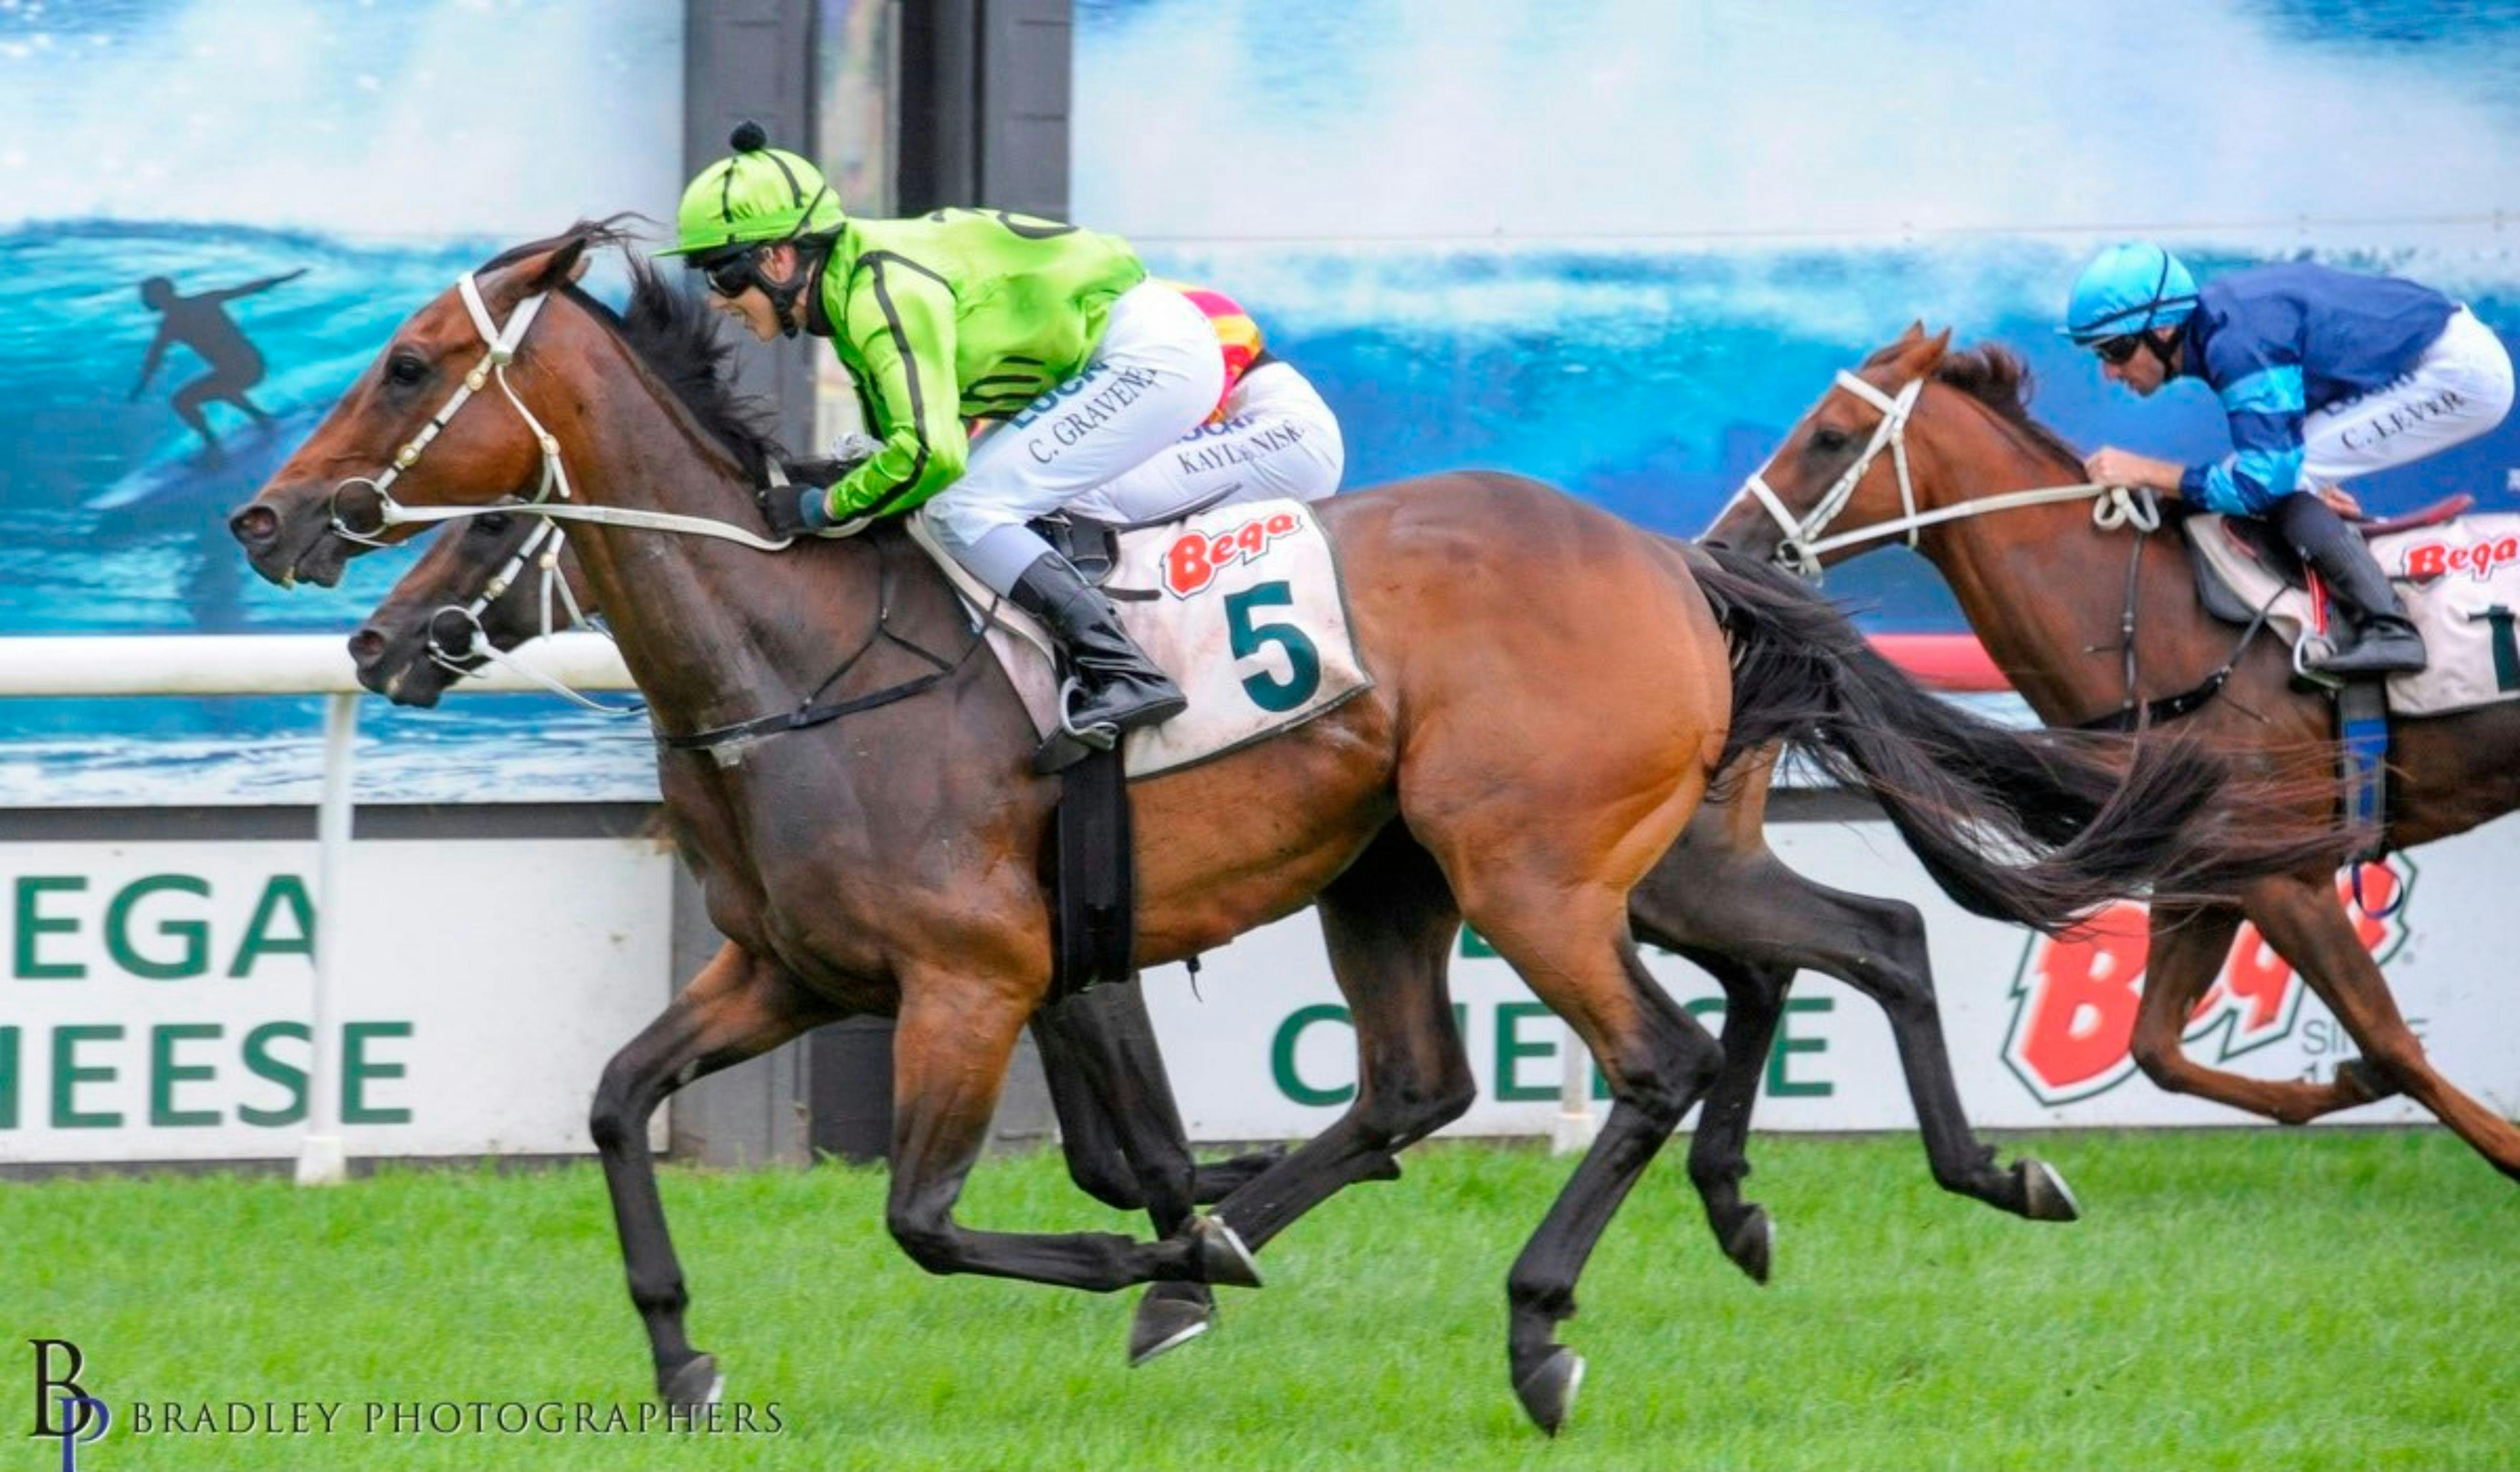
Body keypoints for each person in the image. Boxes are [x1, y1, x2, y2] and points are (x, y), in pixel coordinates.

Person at [663, 121, 1224, 742]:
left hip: (1148, 356)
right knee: (957, 504)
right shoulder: (845, 291)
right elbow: (894, 449)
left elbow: (930, 454)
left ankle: (1126, 673)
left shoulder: (880, 292)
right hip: (1124, 354)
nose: (717, 301)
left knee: (968, 505)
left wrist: (821, 507)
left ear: (778, 257)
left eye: (721, 276)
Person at [2066, 241, 2515, 676]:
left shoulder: (2236, 343)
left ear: (2162, 331)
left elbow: (2264, 484)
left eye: (2115, 350)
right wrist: (2305, 478)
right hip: (2438, 355)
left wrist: (2145, 472)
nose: (2109, 371)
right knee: (2278, 477)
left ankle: (2392, 630)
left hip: (2457, 375)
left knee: (2266, 483)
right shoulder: (2223, 324)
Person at [129, 268, 306, 465]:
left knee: (182, 401)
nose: (144, 301)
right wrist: (284, 278)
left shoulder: (170, 325)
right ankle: (261, 418)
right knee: (218, 384)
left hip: (243, 371)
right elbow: (247, 290)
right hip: (252, 366)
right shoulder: (203, 301)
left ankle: (215, 448)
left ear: (160, 296)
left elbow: (154, 359)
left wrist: (141, 387)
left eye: (146, 296)